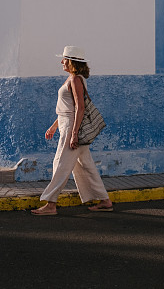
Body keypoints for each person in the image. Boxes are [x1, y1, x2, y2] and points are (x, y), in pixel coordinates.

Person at [31, 46, 113, 215]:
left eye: (65, 59)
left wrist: (74, 133)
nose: (62, 61)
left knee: (60, 164)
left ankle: (51, 204)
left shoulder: (75, 79)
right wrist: (54, 127)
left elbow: (80, 108)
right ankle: (105, 200)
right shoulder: (71, 78)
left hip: (71, 127)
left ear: (72, 62)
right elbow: (66, 109)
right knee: (86, 165)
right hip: (66, 124)